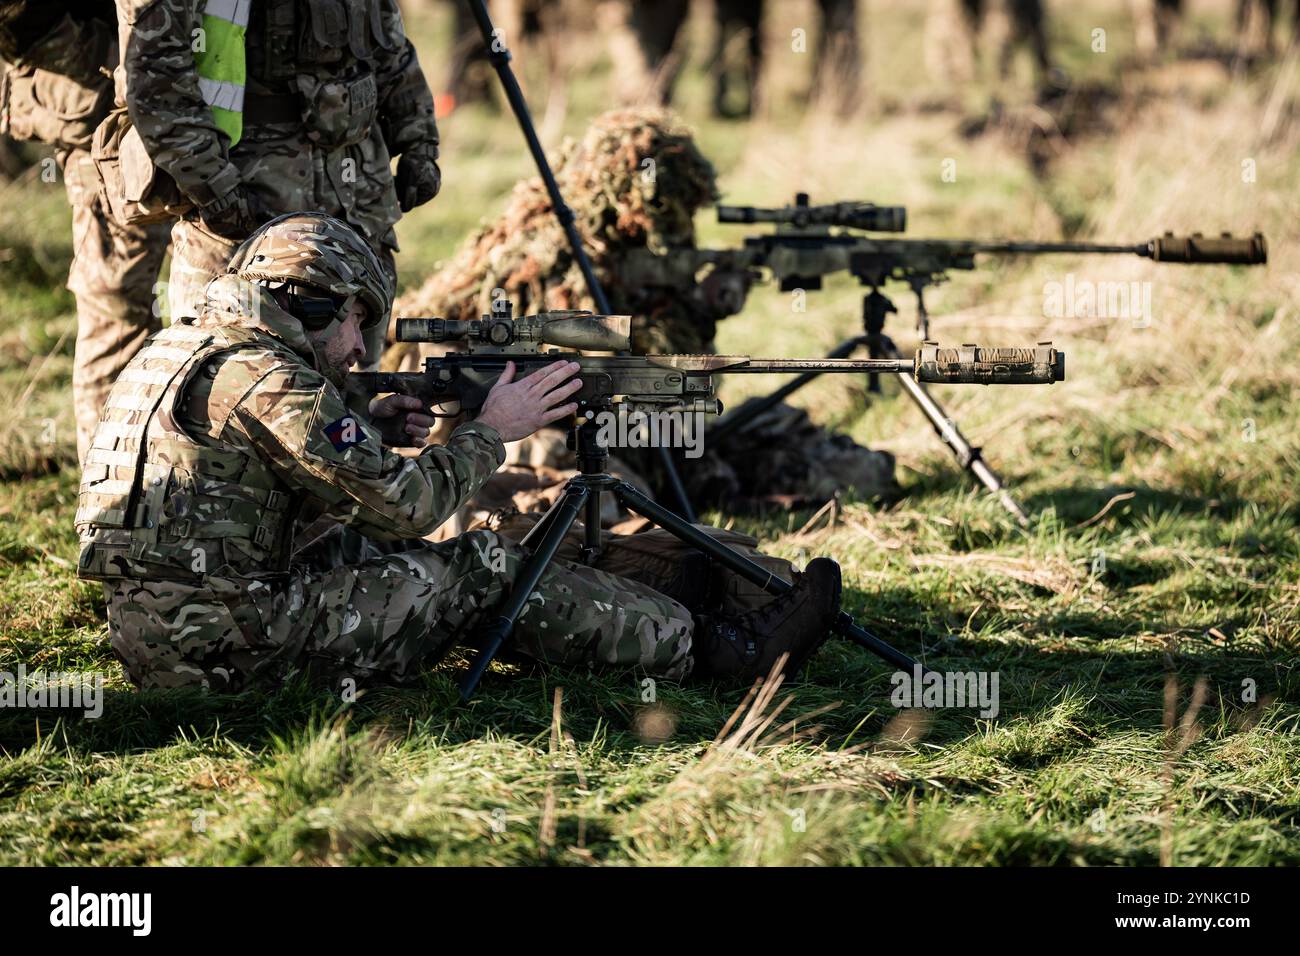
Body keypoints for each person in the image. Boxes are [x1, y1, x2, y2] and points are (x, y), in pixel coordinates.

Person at [75, 212, 843, 692]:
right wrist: (492, 430)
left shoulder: (178, 348)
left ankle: (680, 601)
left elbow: (228, 495)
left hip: (156, 636)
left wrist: (367, 427)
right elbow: (411, 511)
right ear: (309, 302)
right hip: (228, 656)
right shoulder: (273, 378)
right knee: (484, 563)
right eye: (353, 321)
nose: (354, 347)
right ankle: (716, 648)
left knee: (362, 540)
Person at [390, 108, 898, 516]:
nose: (678, 230)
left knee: (850, 466)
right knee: (601, 500)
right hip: (543, 439)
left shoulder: (652, 263)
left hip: (648, 440)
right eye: (669, 211)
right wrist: (694, 315)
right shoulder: (544, 260)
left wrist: (701, 308)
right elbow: (608, 384)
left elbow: (680, 392)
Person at [114, 0, 442, 366]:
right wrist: (215, 188)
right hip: (246, 214)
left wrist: (419, 139)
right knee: (224, 378)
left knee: (358, 385)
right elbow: (157, 76)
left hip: (358, 204)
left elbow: (388, 42)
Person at [0, 0, 171, 460]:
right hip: (103, 120)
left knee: (226, 299)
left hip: (206, 107)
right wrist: (66, 44)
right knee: (115, 308)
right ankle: (110, 497)